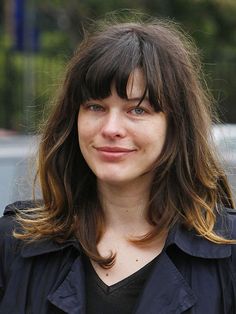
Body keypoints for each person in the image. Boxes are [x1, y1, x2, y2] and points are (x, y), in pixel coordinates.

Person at [0, 13, 236, 314]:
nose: (111, 128)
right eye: (95, 107)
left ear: (176, 126)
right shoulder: (15, 243)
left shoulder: (227, 252)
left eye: (137, 110)